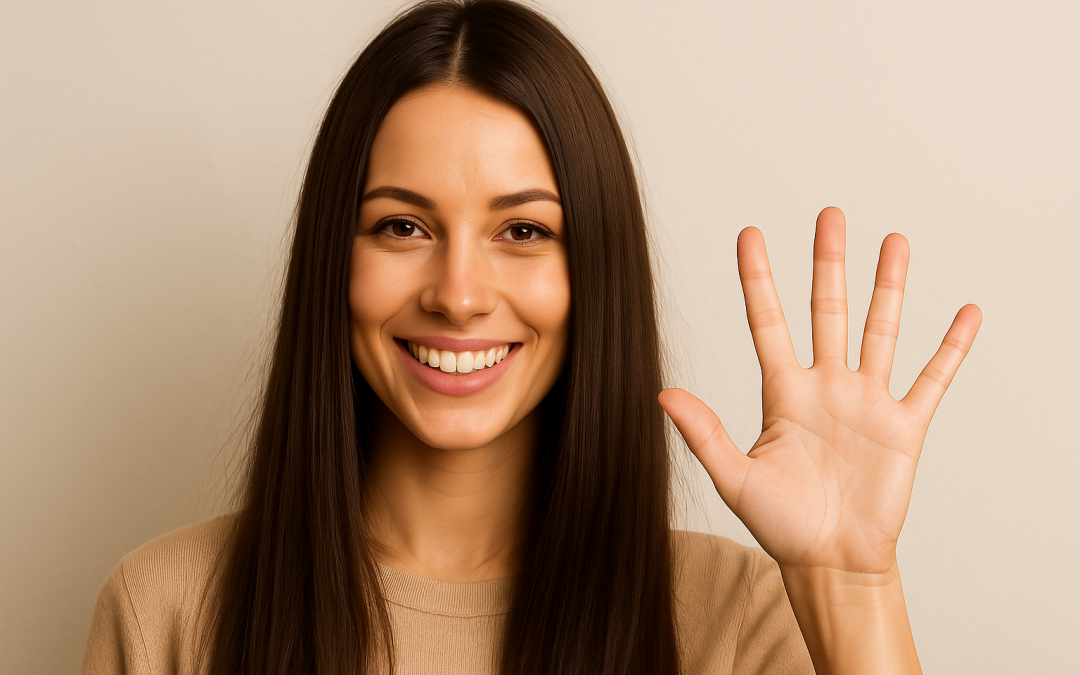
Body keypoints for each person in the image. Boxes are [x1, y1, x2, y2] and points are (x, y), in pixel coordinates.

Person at [80, 1, 981, 674]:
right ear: (332, 257)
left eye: (523, 231)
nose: (460, 295)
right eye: (402, 226)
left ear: (595, 269)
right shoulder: (168, 612)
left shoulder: (732, 619)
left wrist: (854, 587)